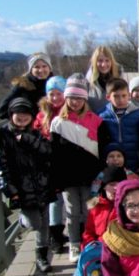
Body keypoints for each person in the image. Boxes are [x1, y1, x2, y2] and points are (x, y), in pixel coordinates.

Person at [50, 76, 110, 263]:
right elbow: (54, 154)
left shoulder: (97, 121)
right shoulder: (58, 122)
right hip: (68, 178)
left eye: (79, 98)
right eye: (71, 98)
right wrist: (57, 180)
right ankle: (74, 244)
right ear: (66, 99)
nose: (75, 102)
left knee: (89, 210)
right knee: (72, 211)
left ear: (85, 100)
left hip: (90, 176)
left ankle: (88, 242)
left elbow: (103, 150)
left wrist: (101, 174)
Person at [0, 98, 55, 272]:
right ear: (11, 116)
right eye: (18, 115)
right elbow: (2, 164)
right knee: (34, 222)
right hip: (22, 187)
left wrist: (29, 139)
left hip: (41, 184)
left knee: (44, 222)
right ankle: (21, 222)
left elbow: (47, 152)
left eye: (26, 115)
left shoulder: (35, 133)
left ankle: (42, 256)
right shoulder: (4, 136)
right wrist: (10, 190)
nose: (22, 118)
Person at [34, 75, 68, 253]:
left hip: (66, 162)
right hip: (49, 164)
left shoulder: (69, 111)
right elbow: (36, 136)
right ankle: (55, 235)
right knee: (55, 200)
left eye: (59, 94)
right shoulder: (42, 115)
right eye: (52, 94)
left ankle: (63, 230)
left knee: (67, 199)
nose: (55, 98)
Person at [98, 78, 139, 177]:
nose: (121, 100)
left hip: (133, 164)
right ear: (108, 97)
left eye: (124, 96)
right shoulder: (102, 116)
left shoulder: (138, 115)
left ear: (129, 95)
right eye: (116, 96)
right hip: (110, 166)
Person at [0, 52, 53, 119]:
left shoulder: (56, 84)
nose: (41, 70)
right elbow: (2, 112)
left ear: (49, 68)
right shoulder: (23, 85)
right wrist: (22, 119)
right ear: (31, 70)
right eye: (36, 67)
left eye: (44, 66)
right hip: (31, 127)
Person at [82, 166, 127, 249]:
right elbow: (89, 232)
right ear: (104, 187)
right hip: (99, 249)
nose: (116, 188)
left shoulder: (127, 207)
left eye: (120, 184)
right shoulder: (96, 207)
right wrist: (90, 246)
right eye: (112, 184)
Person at [85, 46, 121, 114]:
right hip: (94, 122)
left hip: (114, 121)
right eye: (100, 61)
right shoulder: (87, 82)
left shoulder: (120, 80)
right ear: (95, 62)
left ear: (111, 61)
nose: (103, 64)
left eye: (107, 60)